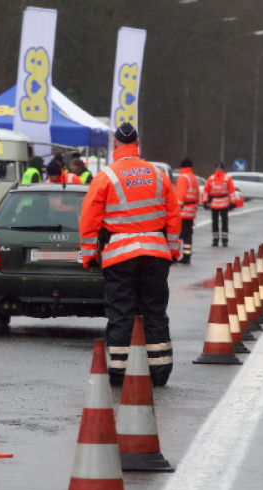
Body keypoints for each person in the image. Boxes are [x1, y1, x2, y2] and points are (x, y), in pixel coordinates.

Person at [79, 121, 181, 386]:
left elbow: (89, 218)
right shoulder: (158, 175)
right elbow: (173, 216)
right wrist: (173, 250)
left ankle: (119, 371)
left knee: (121, 312)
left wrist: (89, 255)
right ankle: (159, 370)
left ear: (115, 145)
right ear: (137, 145)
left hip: (120, 256)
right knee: (154, 311)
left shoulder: (106, 176)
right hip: (156, 254)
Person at [203, 162, 237, 246]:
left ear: (222, 169)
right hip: (214, 203)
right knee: (215, 222)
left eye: (220, 168)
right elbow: (206, 191)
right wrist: (205, 202)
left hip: (224, 202)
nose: (218, 169)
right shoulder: (211, 178)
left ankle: (224, 240)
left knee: (224, 222)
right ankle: (215, 239)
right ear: (215, 169)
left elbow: (232, 191)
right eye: (217, 168)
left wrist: (232, 202)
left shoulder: (227, 178)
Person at [175, 158, 200, 264]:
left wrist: (175, 210)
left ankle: (174, 256)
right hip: (191, 211)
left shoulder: (182, 178)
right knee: (187, 235)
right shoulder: (194, 178)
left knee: (176, 234)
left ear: (182, 167)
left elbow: (180, 196)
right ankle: (187, 256)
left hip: (183, 211)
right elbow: (197, 195)